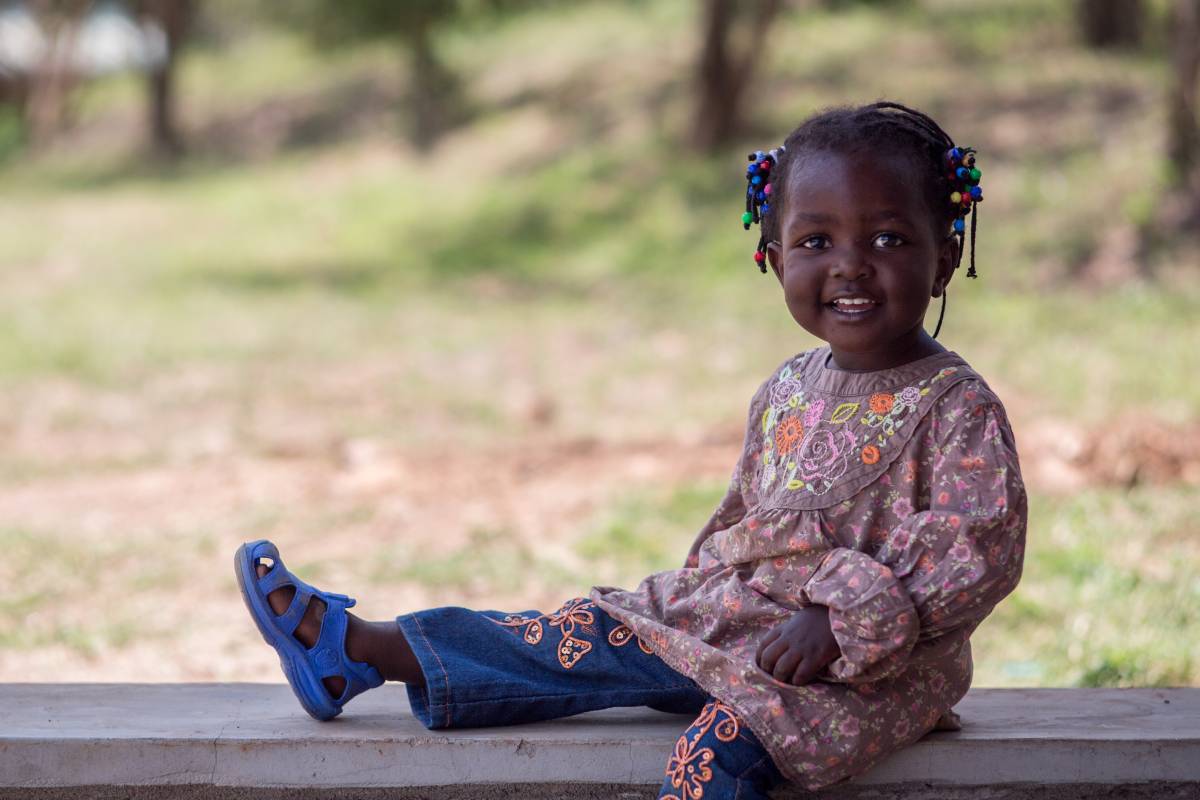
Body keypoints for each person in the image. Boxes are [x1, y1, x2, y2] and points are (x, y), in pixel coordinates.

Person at [235, 101, 1026, 797]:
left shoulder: (956, 408)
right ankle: (361, 652)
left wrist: (842, 618)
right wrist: (689, 602)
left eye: (888, 237)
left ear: (946, 254)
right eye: (817, 240)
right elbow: (747, 524)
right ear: (778, 260)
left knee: (716, 754)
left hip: (866, 670)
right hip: (739, 620)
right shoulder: (789, 386)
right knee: (585, 631)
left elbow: (977, 550)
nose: (850, 264)